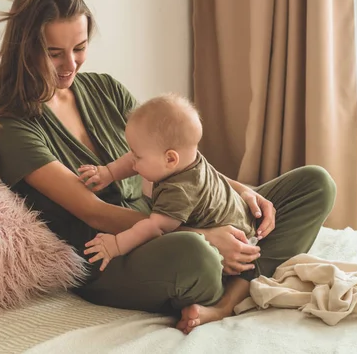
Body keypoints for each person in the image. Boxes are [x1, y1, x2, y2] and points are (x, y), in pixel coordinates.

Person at [0, 0, 336, 334]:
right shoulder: (10, 123)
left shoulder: (105, 89)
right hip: (110, 255)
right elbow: (92, 211)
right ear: (25, 48)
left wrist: (240, 191)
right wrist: (207, 236)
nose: (71, 65)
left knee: (315, 184)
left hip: (171, 217)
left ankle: (230, 294)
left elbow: (178, 158)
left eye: (79, 48)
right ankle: (239, 273)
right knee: (196, 256)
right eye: (54, 53)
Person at [78, 93, 277, 331]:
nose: (133, 163)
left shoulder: (179, 191)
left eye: (138, 157)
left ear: (170, 159)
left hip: (239, 241)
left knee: (195, 253)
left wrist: (117, 244)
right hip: (238, 213)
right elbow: (131, 159)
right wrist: (108, 172)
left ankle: (225, 292)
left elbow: (153, 227)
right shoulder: (187, 157)